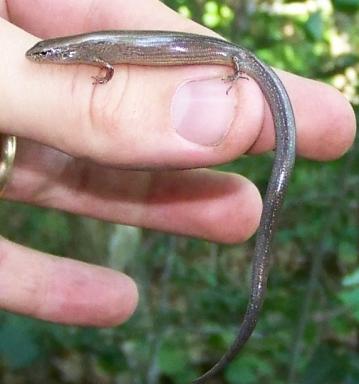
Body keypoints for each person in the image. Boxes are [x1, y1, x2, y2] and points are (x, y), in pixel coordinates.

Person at [0, 0, 355, 327]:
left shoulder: (89, 51)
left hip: (232, 57)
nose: (42, 57)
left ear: (61, 52)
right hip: (227, 56)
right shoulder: (88, 50)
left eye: (46, 53)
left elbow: (107, 70)